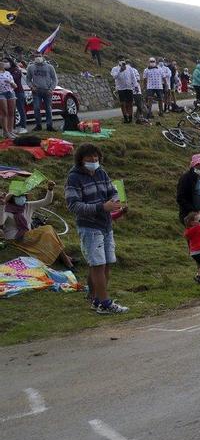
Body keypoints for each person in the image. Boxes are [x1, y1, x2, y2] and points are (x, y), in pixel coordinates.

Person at [64, 143, 129, 314]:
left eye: (96, 157)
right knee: (98, 264)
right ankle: (104, 303)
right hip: (89, 226)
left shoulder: (101, 172)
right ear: (81, 159)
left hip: (106, 224)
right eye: (89, 158)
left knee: (105, 263)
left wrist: (115, 202)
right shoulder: (74, 177)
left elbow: (112, 191)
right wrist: (101, 207)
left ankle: (96, 298)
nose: (94, 160)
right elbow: (73, 205)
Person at [0, 181, 76, 268]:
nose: (22, 198)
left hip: (29, 234)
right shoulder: (5, 208)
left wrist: (50, 189)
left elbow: (46, 201)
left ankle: (66, 260)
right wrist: (2, 206)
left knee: (49, 232)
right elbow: (1, 223)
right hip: (16, 238)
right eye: (19, 196)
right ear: (12, 198)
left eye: (23, 195)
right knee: (47, 230)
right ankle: (67, 261)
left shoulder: (28, 205)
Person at [26, 51, 57, 131]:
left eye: (39, 56)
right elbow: (28, 79)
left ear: (42, 56)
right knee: (36, 108)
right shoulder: (30, 67)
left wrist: (51, 89)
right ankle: (38, 125)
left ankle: (49, 126)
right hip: (36, 91)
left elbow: (55, 79)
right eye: (36, 56)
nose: (37, 57)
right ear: (34, 57)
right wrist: (31, 87)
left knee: (48, 108)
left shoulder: (50, 67)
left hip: (47, 91)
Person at [110, 57, 138, 123]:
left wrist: (136, 86)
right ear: (118, 61)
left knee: (130, 103)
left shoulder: (129, 68)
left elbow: (133, 77)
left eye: (123, 60)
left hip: (129, 87)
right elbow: (114, 76)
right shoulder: (115, 69)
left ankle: (130, 118)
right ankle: (125, 118)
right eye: (120, 60)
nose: (122, 61)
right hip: (120, 88)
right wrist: (120, 71)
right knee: (123, 104)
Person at [0, 58, 17, 138]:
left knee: (11, 112)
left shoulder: (8, 73)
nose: (3, 63)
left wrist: (10, 82)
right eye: (2, 62)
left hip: (10, 93)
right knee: (4, 112)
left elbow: (15, 86)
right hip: (1, 94)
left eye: (5, 62)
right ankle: (5, 132)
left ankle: (10, 131)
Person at [8, 59, 26, 134]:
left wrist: (5, 75)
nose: (4, 63)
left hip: (18, 92)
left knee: (20, 110)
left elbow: (14, 78)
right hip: (8, 93)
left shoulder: (16, 70)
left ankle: (23, 127)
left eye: (6, 61)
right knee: (11, 111)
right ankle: (12, 128)